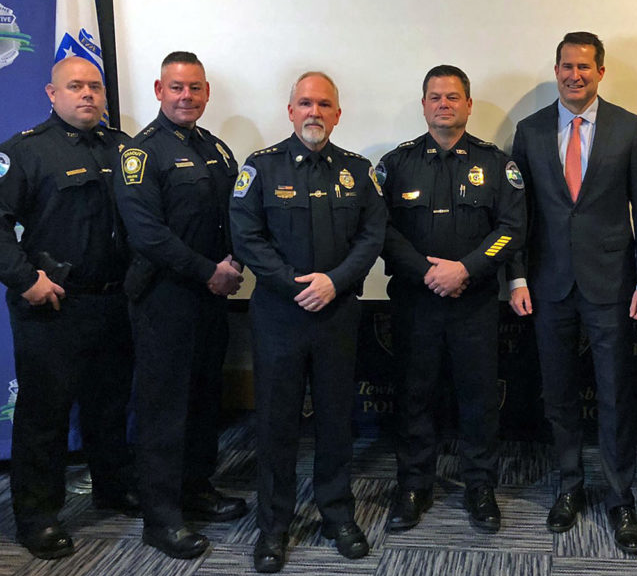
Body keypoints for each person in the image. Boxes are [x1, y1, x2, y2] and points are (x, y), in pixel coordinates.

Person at [230, 71, 385, 572]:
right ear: (290, 111)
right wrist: (297, 284)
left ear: (338, 114)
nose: (314, 112)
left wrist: (335, 282)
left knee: (337, 420)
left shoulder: (359, 171)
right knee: (276, 422)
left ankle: (337, 514)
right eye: (304, 103)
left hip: (337, 314)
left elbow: (372, 235)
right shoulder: (261, 167)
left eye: (324, 104)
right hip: (279, 315)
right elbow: (246, 236)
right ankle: (273, 526)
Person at [509, 31, 637, 553]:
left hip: (612, 284)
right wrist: (517, 276)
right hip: (547, 284)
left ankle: (620, 497)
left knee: (615, 393)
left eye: (585, 67)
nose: (575, 75)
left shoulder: (629, 128)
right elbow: (517, 214)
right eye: (567, 66)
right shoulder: (528, 131)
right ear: (556, 69)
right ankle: (569, 486)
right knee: (559, 393)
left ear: (601, 71)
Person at [377, 65, 526, 535]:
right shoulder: (395, 164)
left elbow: (512, 229)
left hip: (474, 303)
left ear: (468, 105)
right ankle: (413, 486)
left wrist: (466, 269)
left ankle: (480, 486)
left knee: (478, 398)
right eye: (435, 97)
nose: (444, 104)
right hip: (414, 303)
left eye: (453, 97)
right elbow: (380, 230)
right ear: (423, 105)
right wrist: (428, 272)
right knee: (414, 395)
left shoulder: (497, 164)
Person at [0, 56, 137, 560]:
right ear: (50, 94)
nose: (87, 95)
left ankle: (113, 487)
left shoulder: (124, 149)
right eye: (74, 87)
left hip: (114, 300)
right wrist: (24, 279)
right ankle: (37, 517)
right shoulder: (25, 151)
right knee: (44, 416)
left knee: (109, 405)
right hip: (52, 305)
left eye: (95, 87)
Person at [115, 51, 246, 559]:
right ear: (158, 90)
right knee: (163, 408)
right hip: (164, 297)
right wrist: (209, 271)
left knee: (203, 398)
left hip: (211, 297)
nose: (186, 96)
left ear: (206, 92)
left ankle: (197, 488)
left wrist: (235, 261)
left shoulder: (216, 148)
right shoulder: (140, 154)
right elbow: (147, 235)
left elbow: (235, 213)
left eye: (194, 88)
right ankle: (161, 516)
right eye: (176, 88)